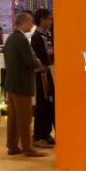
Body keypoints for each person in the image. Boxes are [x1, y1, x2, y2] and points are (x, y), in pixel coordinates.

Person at [3, 12, 45, 157]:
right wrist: (38, 62)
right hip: (22, 84)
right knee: (25, 118)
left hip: (11, 83)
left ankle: (12, 146)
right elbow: (29, 61)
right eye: (31, 22)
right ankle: (27, 147)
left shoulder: (11, 38)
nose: (32, 25)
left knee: (13, 118)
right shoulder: (21, 40)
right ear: (25, 22)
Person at [31, 8, 56, 147]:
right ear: (42, 20)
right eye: (49, 19)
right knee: (42, 105)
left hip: (49, 73)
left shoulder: (47, 35)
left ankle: (46, 133)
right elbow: (43, 57)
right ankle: (39, 135)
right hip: (42, 75)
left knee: (49, 104)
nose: (51, 21)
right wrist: (51, 53)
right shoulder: (36, 37)